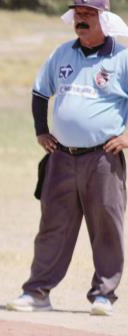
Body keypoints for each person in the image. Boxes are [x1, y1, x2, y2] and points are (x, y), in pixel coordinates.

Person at [7, 0, 128, 316]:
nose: (82, 20)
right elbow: (39, 92)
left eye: (89, 14)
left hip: (103, 158)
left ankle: (104, 294)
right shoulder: (62, 53)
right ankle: (37, 292)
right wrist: (41, 131)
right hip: (61, 156)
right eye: (78, 14)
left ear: (105, 19)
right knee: (52, 226)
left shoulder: (122, 58)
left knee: (106, 226)